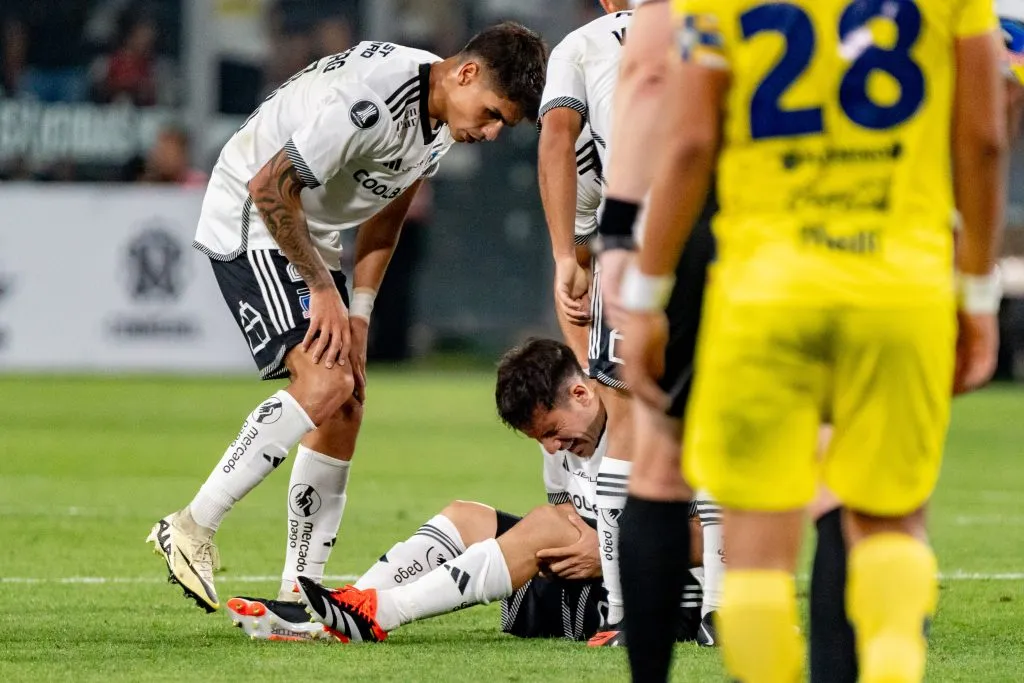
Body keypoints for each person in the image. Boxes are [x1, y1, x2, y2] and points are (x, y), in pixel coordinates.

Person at [623, 2, 1006, 683]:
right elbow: (983, 137)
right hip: (899, 285)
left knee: (759, 556)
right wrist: (978, 294)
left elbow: (687, 143)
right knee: (889, 526)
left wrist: (648, 293)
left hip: (762, 291)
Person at [146, 22, 549, 614]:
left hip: (310, 231)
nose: (489, 133)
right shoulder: (371, 101)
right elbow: (268, 186)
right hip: (253, 216)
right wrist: (321, 289)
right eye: (491, 114)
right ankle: (191, 525)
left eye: (501, 126)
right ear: (465, 73)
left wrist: (358, 312)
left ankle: (299, 593)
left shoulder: (439, 118)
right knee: (326, 381)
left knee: (347, 397)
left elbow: (390, 208)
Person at [284, 339, 704, 644]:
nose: (551, 447)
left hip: (659, 601)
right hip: (584, 589)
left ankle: (386, 611)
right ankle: (346, 611)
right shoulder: (559, 450)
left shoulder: (662, 433)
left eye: (553, 431)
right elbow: (570, 521)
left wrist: (612, 549)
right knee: (465, 515)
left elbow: (719, 541)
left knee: (544, 525)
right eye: (539, 439)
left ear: (581, 393)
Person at [539, 0, 725, 658]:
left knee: (633, 428)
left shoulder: (585, 44)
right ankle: (722, 610)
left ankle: (623, 612)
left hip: (645, 236)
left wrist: (572, 251)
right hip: (734, 233)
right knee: (729, 424)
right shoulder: (730, 19)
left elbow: (558, 136)